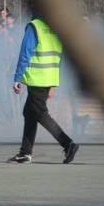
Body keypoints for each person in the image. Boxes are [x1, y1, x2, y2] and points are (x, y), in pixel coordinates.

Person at [9, 16, 79, 164]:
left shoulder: (34, 26)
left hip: (36, 77)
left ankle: (67, 143)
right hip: (49, 77)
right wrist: (53, 83)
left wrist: (17, 77)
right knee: (29, 112)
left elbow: (25, 53)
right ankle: (25, 153)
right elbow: (58, 56)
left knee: (40, 113)